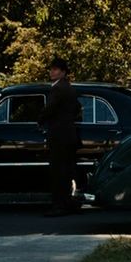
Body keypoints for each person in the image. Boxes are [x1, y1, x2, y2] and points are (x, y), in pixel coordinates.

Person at [39, 58, 82, 217]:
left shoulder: (57, 89)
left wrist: (40, 120)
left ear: (63, 72)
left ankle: (59, 206)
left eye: (56, 69)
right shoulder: (69, 88)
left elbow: (49, 109)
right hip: (69, 134)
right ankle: (68, 202)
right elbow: (77, 107)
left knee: (57, 172)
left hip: (58, 135)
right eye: (51, 69)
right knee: (67, 171)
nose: (52, 72)